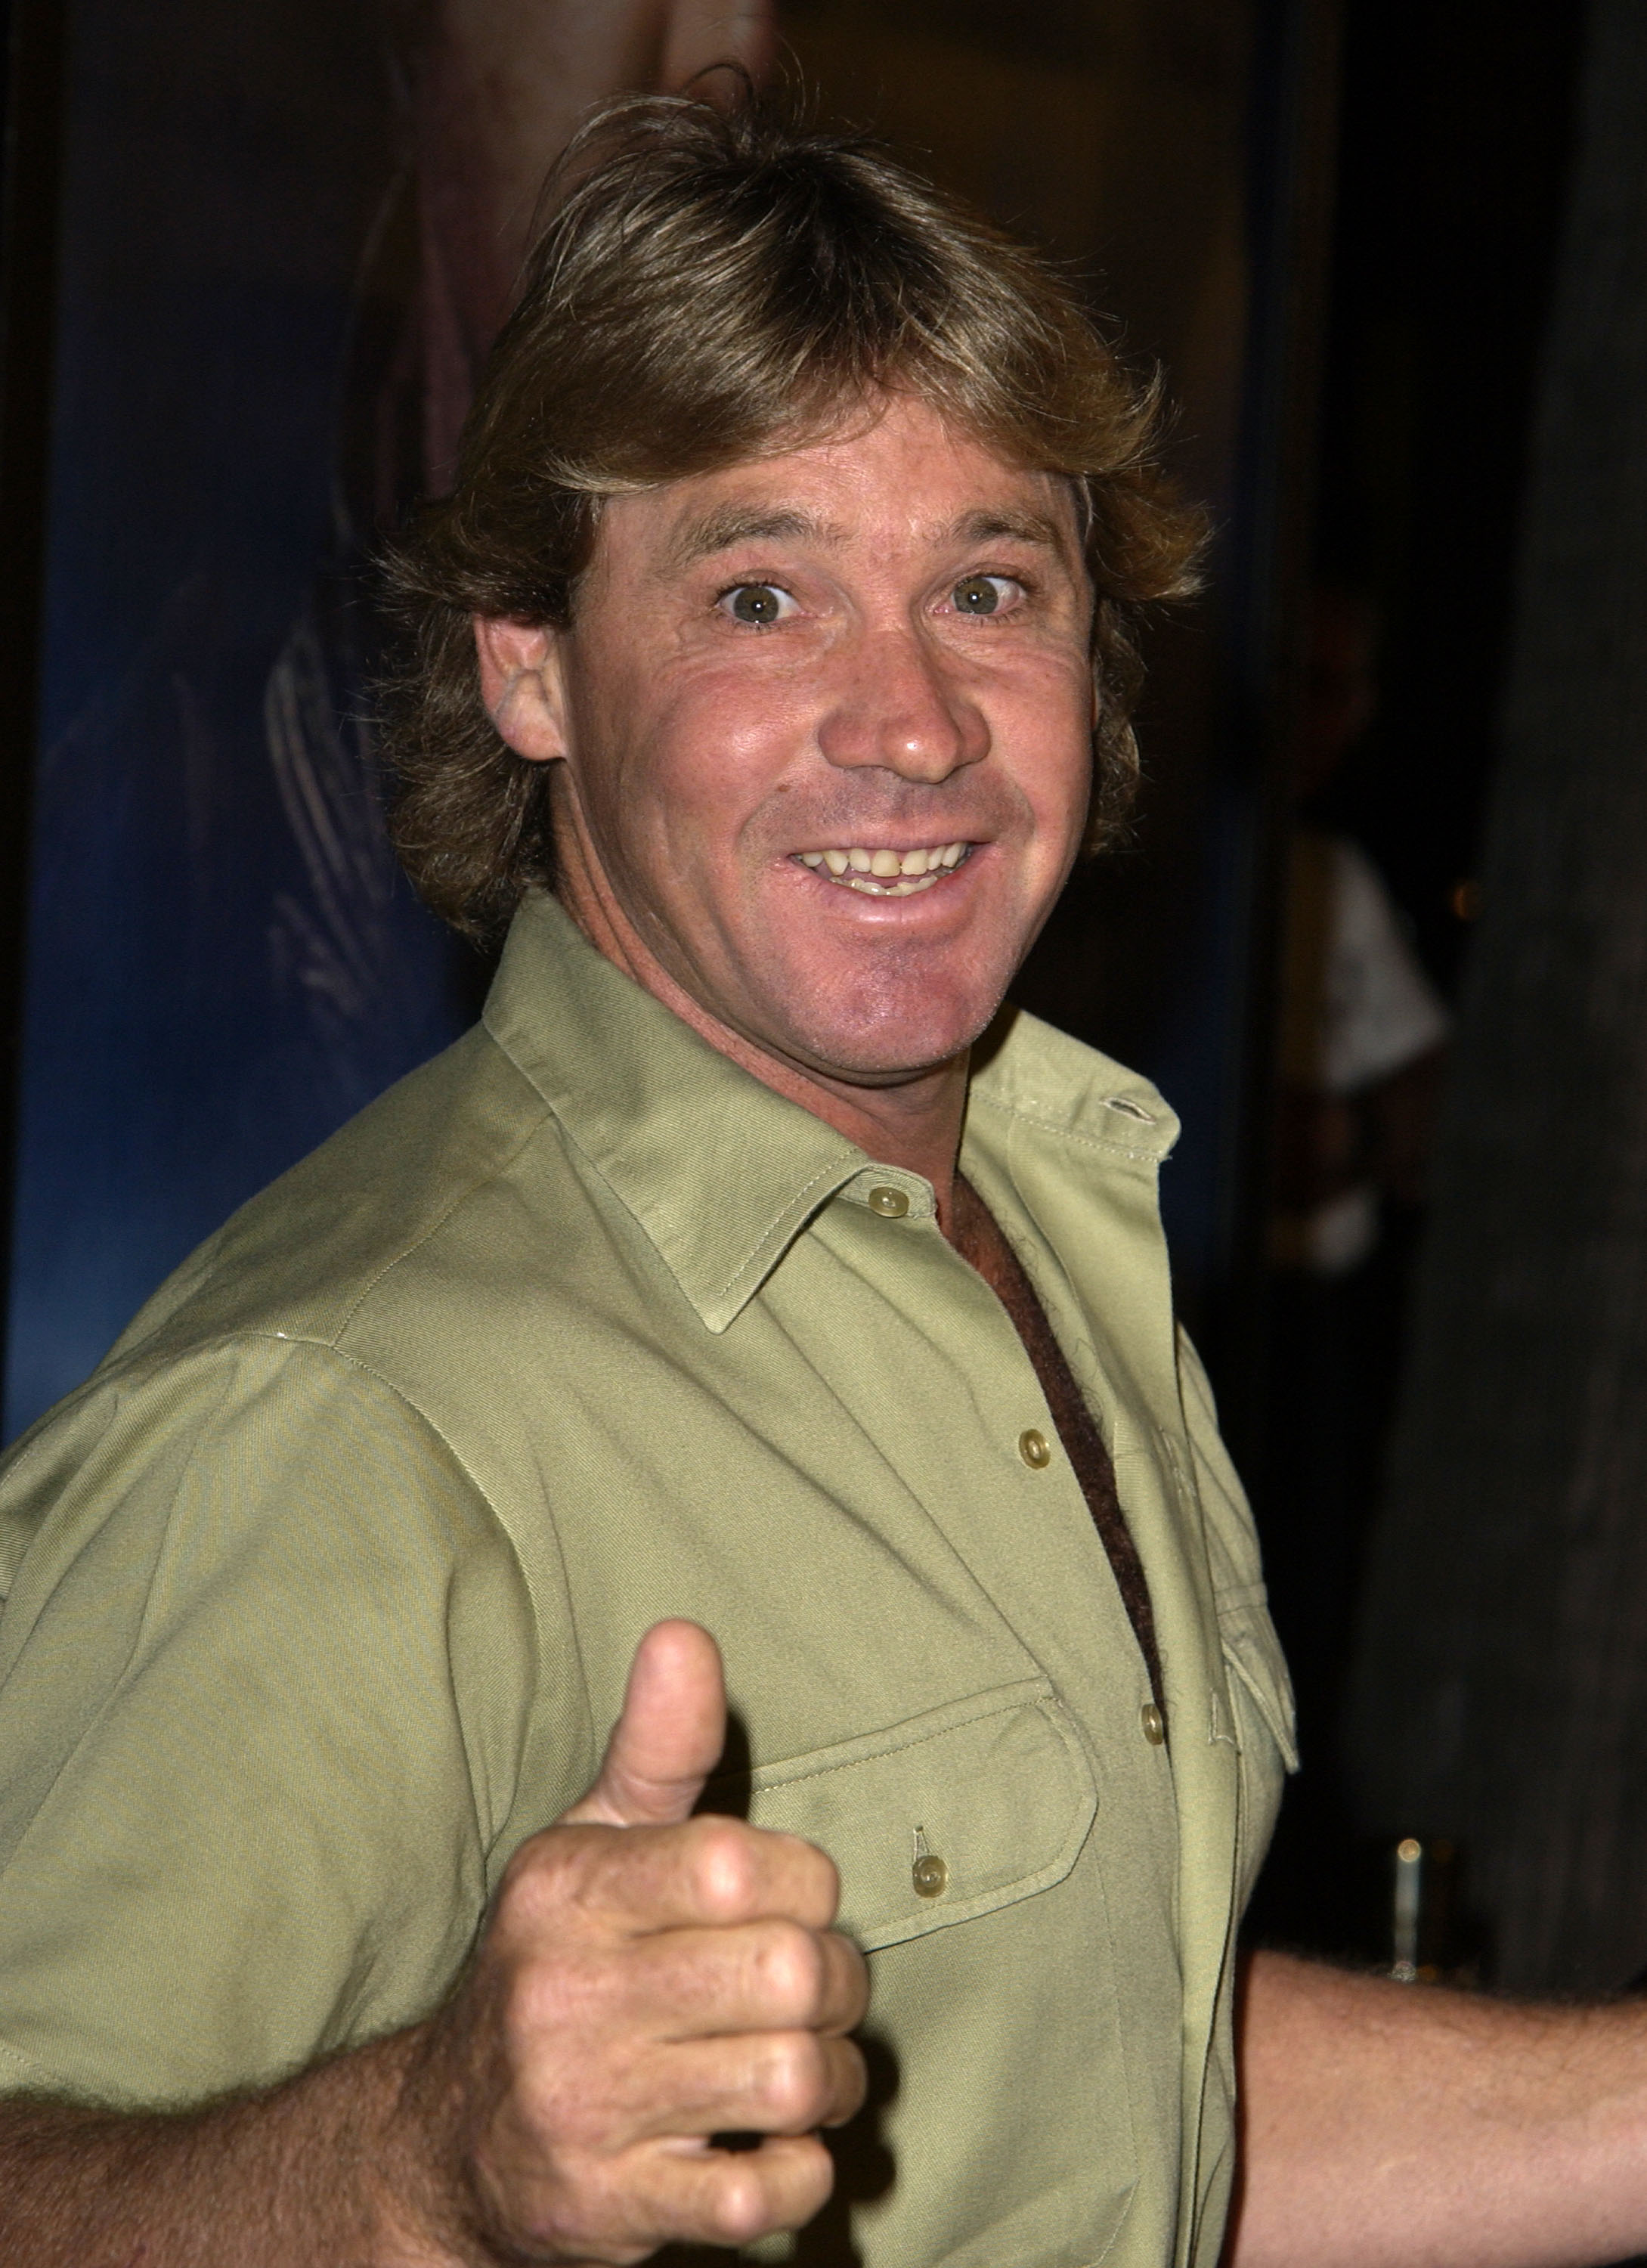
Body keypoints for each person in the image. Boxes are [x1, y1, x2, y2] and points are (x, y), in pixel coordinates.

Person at [2, 90, 1646, 2268]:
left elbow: (1104, 2081)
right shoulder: (351, 1409)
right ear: (532, 674)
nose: (911, 721)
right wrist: (418, 2161)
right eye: (760, 594)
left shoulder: (1044, 1231)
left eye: (987, 585)